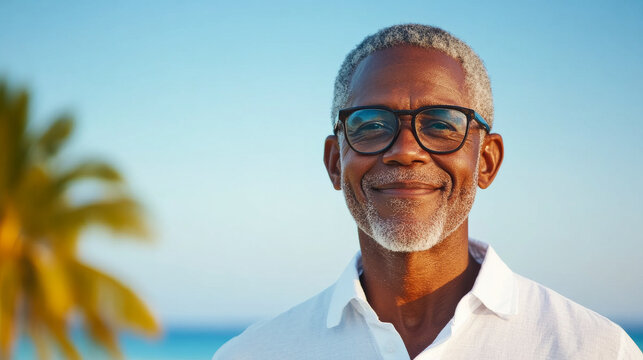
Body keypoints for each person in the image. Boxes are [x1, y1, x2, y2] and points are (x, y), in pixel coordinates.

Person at [212, 24, 642, 359]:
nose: (405, 151)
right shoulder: (254, 354)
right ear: (334, 162)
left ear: (487, 161)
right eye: (371, 124)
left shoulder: (595, 350)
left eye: (441, 124)